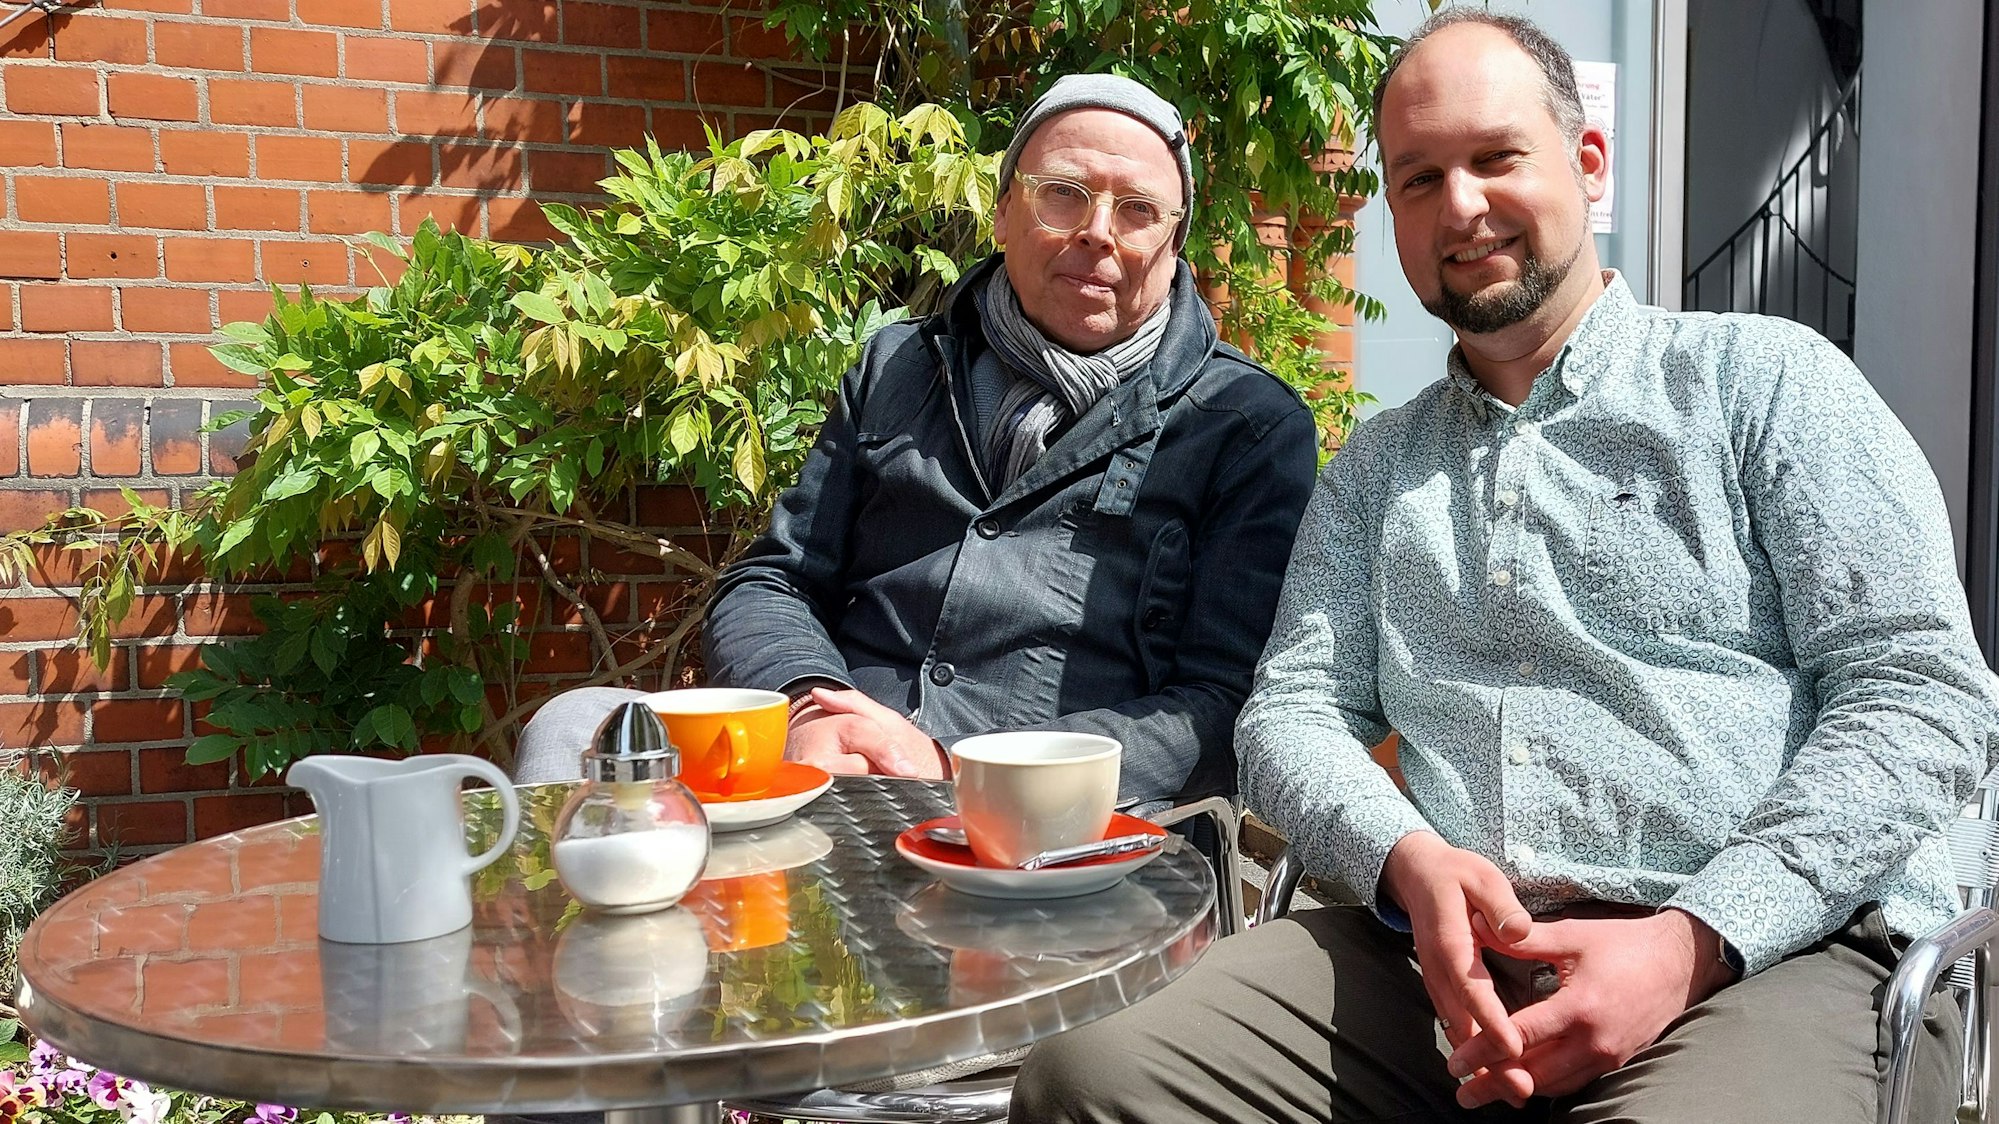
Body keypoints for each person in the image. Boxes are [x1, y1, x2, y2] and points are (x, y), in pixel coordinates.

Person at [1008, 10, 1999, 1123]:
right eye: (1418, 178)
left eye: (1495, 158)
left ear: (1586, 164)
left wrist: (1693, 939)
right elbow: (1287, 711)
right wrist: (1404, 857)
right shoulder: (1380, 466)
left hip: (1768, 954)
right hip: (1431, 962)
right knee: (1087, 1083)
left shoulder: (1762, 385)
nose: (1460, 208)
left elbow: (1918, 693)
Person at [516, 73, 1320, 812]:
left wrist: (952, 763)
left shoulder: (1243, 423)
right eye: (1063, 196)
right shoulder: (899, 364)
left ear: (1172, 240)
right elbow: (775, 579)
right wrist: (807, 707)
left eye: (1137, 210)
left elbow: (1223, 708)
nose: (1098, 233)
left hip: (1042, 814)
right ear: (1003, 212)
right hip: (833, 764)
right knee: (573, 726)